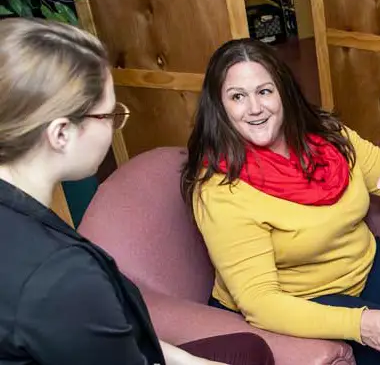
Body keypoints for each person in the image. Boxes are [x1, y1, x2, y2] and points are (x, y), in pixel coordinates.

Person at [181, 38, 380, 365]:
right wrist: (358, 323)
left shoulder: (327, 136)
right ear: (219, 107)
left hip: (362, 267)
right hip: (298, 298)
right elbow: (260, 302)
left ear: (284, 93)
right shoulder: (220, 189)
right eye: (238, 97)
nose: (254, 108)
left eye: (264, 91)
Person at [0, 18, 275, 365]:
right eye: (108, 114)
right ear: (61, 134)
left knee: (246, 350)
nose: (115, 124)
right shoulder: (61, 278)